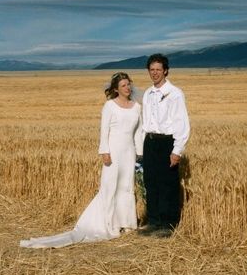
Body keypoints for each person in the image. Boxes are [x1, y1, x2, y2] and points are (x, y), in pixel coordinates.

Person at [20, 72, 143, 248]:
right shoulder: (110, 106)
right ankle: (109, 225)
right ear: (116, 89)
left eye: (128, 84)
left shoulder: (136, 107)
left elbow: (138, 131)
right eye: (123, 85)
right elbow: (104, 130)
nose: (127, 88)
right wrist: (104, 151)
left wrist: (139, 151)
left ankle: (128, 223)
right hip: (114, 151)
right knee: (110, 186)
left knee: (126, 186)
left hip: (129, 152)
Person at [139, 54, 190, 238]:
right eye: (152, 70)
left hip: (166, 142)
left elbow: (181, 123)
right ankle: (154, 222)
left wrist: (176, 150)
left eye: (158, 70)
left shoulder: (175, 93)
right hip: (150, 142)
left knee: (167, 183)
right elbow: (145, 122)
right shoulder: (147, 93)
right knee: (151, 182)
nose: (155, 73)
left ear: (166, 71)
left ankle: (169, 225)